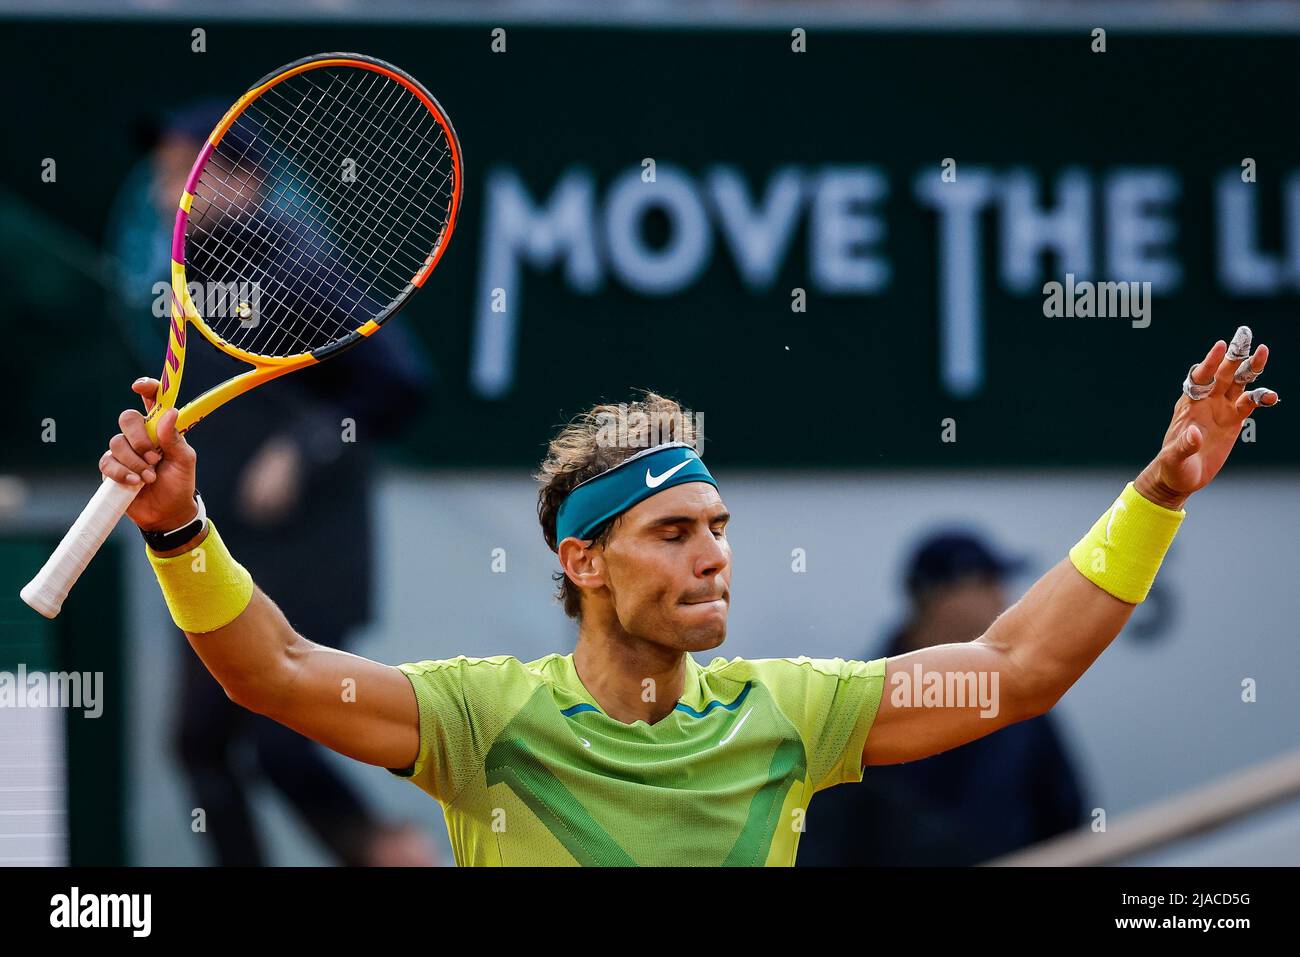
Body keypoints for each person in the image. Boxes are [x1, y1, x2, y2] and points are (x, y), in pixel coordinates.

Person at [97, 328, 1279, 866]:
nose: (712, 554)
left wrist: (1160, 491)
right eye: (672, 532)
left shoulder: (793, 713)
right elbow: (276, 672)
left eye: (717, 529)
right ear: (584, 563)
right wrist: (181, 528)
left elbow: (1020, 670)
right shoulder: (480, 721)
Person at [106, 103, 440, 867]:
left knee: (277, 741)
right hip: (211, 551)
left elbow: (400, 383)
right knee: (201, 745)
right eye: (163, 177)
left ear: (244, 181)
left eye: (184, 176)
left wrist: (302, 449)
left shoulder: (297, 266)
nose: (168, 195)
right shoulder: (192, 282)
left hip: (302, 554)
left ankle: (393, 853)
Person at [796, 531, 1086, 866]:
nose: (1003, 597)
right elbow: (821, 839)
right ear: (940, 596)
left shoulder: (1021, 703)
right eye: (987, 583)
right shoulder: (857, 705)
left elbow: (1067, 820)